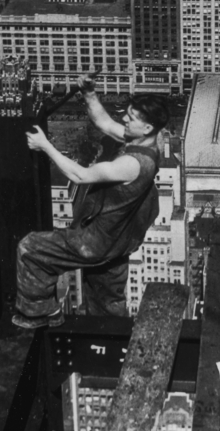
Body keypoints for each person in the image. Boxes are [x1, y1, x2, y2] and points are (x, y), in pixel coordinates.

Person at [13, 75, 169, 329]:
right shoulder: (150, 141)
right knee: (105, 300)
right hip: (119, 242)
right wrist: (89, 93)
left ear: (147, 127)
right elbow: (104, 123)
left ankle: (41, 313)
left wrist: (45, 146)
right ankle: (110, 338)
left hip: (97, 241)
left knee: (30, 250)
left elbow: (80, 176)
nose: (124, 118)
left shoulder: (132, 164)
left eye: (131, 117)